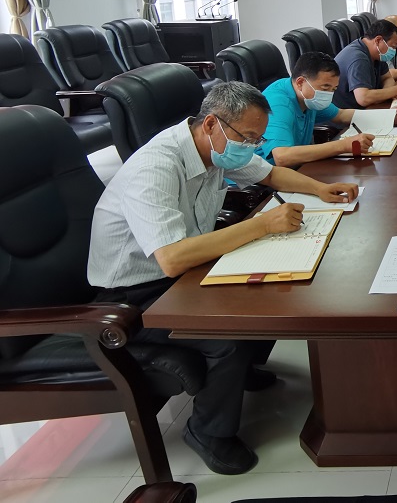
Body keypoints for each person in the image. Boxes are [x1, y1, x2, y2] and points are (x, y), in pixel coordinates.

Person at [88, 82, 360, 475]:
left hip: (181, 267)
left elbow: (270, 174)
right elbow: (172, 259)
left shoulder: (214, 148)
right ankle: (207, 431)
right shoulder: (155, 168)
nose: (251, 147)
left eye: (257, 139)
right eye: (247, 138)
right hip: (132, 294)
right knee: (226, 334)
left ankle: (242, 371)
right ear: (212, 124)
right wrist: (262, 225)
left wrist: (322, 189)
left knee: (269, 289)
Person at [256, 52, 374, 166]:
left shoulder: (308, 97)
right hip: (267, 174)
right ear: (300, 82)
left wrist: (384, 116)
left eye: (333, 89)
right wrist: (344, 145)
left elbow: (341, 115)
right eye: (325, 88)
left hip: (299, 165)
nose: (328, 94)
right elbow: (282, 157)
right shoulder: (279, 104)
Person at [333, 19, 397, 109]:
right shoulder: (358, 58)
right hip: (347, 114)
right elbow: (363, 98)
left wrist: (387, 94)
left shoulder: (377, 53)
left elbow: (387, 77)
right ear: (378, 40)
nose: (394, 50)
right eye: (393, 46)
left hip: (368, 107)